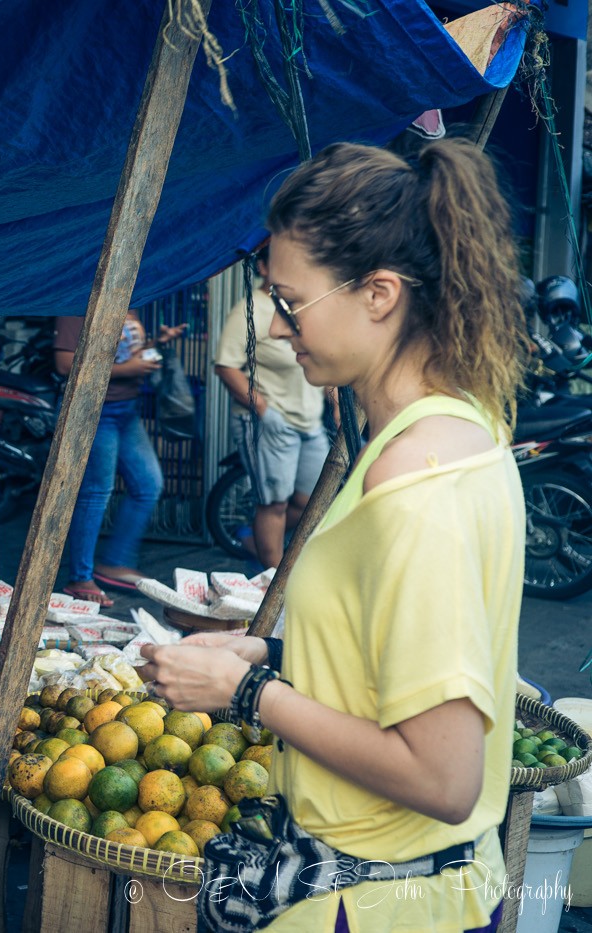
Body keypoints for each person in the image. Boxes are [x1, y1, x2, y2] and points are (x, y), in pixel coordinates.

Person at [140, 139, 525, 932]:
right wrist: (272, 656)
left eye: (291, 302)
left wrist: (248, 693)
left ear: (380, 293)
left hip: (385, 905)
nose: (279, 331)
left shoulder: (415, 489)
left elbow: (445, 773)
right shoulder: (456, 427)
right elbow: (402, 665)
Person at [54, 311, 186, 607]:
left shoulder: (131, 300)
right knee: (96, 492)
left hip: (126, 409)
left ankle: (114, 563)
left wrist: (156, 343)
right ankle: (80, 578)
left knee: (148, 484)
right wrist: (128, 369)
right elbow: (64, 364)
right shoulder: (79, 304)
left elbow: (124, 352)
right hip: (93, 409)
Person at [213, 245, 328, 570]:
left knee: (310, 500)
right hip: (271, 420)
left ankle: (254, 541)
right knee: (274, 503)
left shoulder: (299, 305)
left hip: (309, 421)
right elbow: (225, 366)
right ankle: (273, 583)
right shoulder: (250, 309)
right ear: (262, 267)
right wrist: (264, 411)